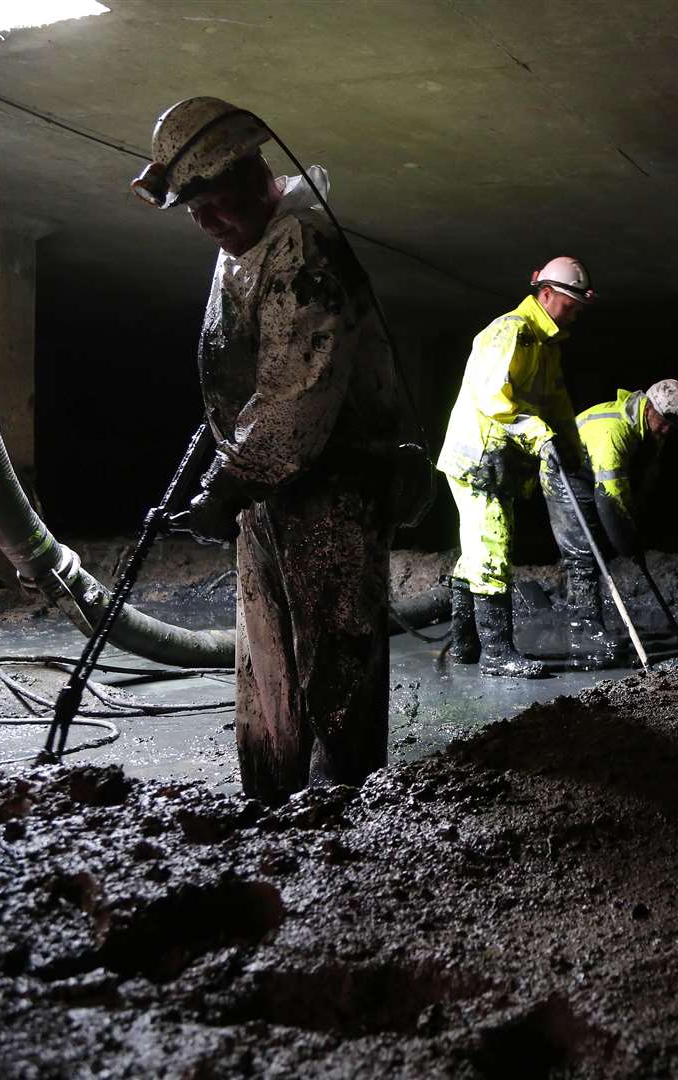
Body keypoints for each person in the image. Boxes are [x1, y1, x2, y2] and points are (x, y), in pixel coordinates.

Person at [132, 96, 416, 803]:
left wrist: (227, 486)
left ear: (256, 171)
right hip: (269, 488)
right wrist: (229, 475)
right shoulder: (244, 251)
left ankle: (338, 810)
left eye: (220, 203)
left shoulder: (303, 249)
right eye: (197, 213)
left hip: (330, 485)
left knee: (332, 655)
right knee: (268, 661)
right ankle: (270, 798)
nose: (211, 224)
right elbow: (245, 373)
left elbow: (298, 389)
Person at [436, 257, 594, 678]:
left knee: (476, 550)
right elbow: (495, 400)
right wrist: (541, 437)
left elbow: (557, 404)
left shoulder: (547, 346)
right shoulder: (510, 331)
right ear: (545, 294)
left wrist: (571, 448)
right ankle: (496, 653)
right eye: (570, 302)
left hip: (498, 461)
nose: (575, 311)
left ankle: (466, 646)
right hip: (478, 459)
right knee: (492, 547)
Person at [546, 380, 678, 666]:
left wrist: (635, 524)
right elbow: (610, 501)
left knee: (604, 541)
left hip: (593, 472)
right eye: (662, 422)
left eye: (671, 427)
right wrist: (629, 542)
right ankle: (584, 630)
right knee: (584, 553)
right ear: (649, 408)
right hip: (564, 472)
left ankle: (591, 621)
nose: (665, 431)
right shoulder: (614, 432)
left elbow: (638, 485)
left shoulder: (651, 433)